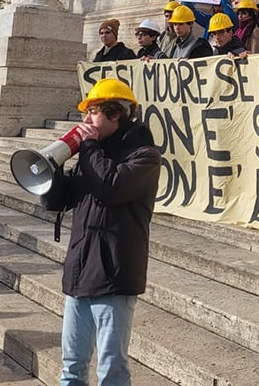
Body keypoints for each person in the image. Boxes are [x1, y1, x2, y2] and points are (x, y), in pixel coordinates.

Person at [40, 78, 161, 386]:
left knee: (111, 370)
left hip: (114, 275)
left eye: (92, 112)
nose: (85, 120)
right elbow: (59, 201)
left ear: (115, 114)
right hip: (81, 271)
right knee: (71, 367)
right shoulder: (94, 156)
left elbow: (111, 189)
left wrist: (89, 147)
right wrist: (51, 169)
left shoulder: (144, 156)